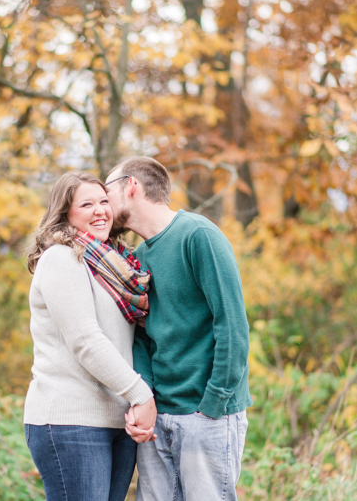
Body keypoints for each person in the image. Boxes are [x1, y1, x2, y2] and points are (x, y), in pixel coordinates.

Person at [105, 157, 252, 501]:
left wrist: (214, 404)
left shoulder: (198, 236)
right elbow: (141, 337)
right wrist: (146, 400)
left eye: (107, 190)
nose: (103, 203)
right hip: (159, 417)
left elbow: (232, 326)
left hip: (207, 413)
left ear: (131, 186)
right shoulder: (138, 255)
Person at [23, 171, 158, 501]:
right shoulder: (61, 258)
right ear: (65, 213)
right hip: (70, 421)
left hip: (116, 420)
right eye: (86, 204)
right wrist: (141, 395)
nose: (100, 210)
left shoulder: (114, 266)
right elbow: (85, 340)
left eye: (103, 202)